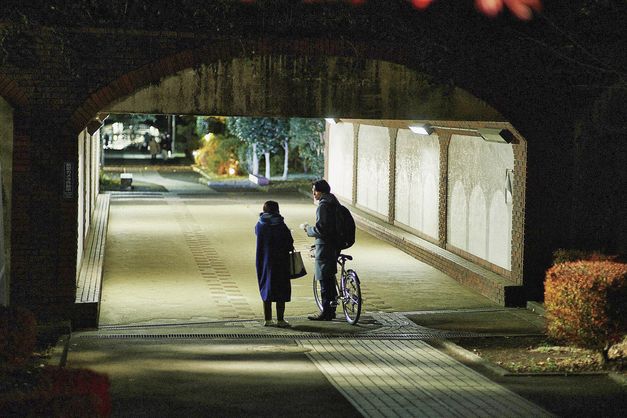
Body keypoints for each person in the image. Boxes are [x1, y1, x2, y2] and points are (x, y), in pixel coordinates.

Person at [300, 179, 340, 321]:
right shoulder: (334, 202)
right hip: (335, 244)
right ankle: (332, 309)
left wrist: (308, 229)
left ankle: (326, 312)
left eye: (315, 191)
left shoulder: (323, 206)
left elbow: (321, 229)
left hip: (325, 246)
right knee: (329, 278)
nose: (313, 194)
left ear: (320, 191)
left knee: (324, 280)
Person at [255, 200, 294, 327]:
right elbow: (289, 242)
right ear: (277, 210)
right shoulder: (280, 225)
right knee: (281, 288)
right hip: (280, 261)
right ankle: (281, 320)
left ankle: (268, 319)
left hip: (264, 260)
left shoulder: (260, 224)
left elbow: (257, 234)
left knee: (266, 286)